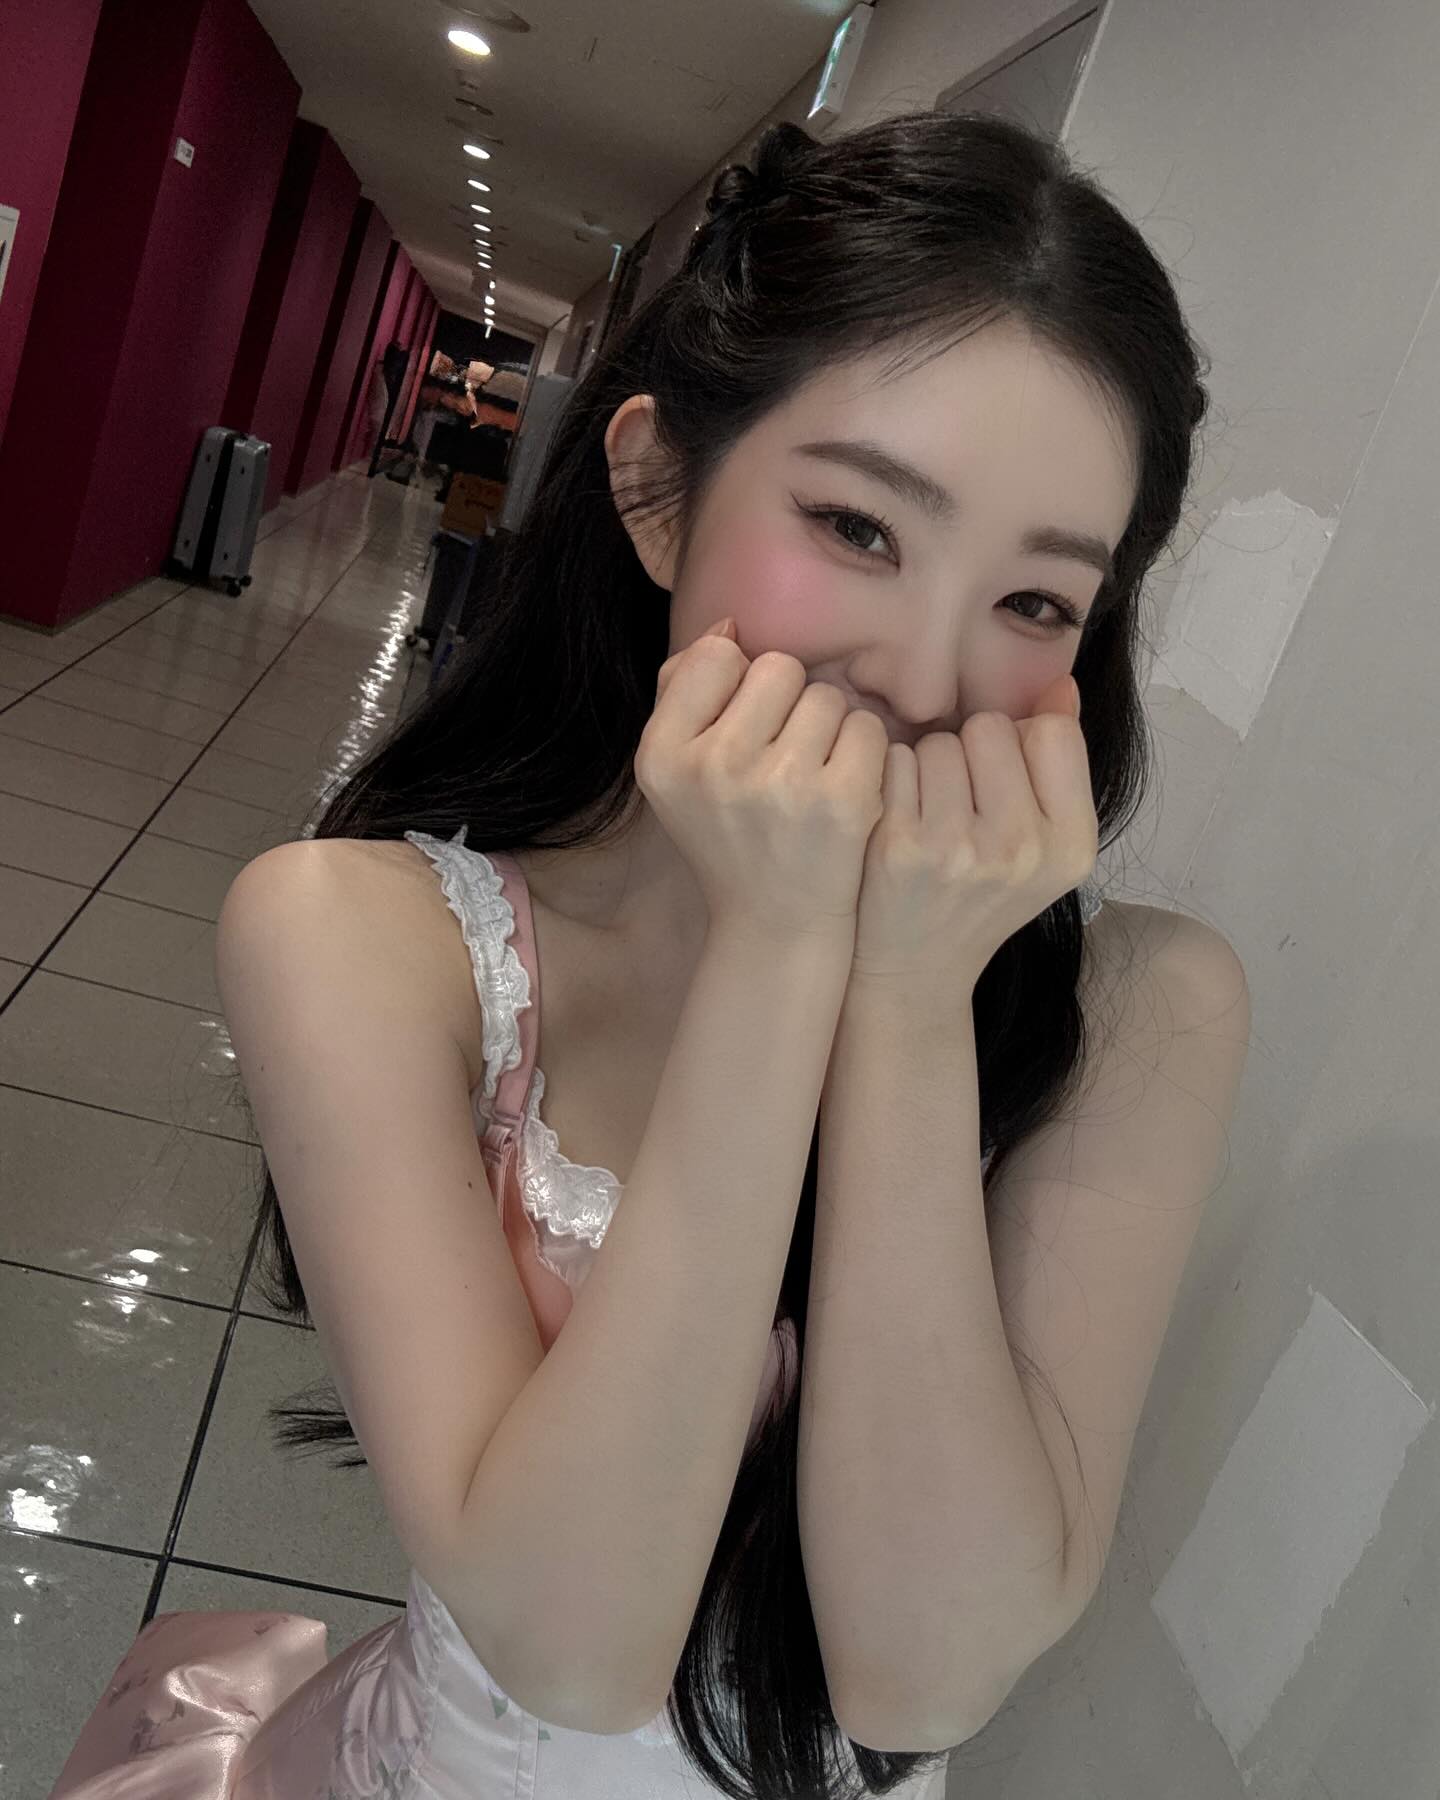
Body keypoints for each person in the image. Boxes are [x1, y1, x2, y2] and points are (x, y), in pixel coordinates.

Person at [47, 107, 1210, 1799]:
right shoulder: (358, 934)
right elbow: (572, 1646)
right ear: (658, 490)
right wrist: (778, 945)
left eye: (1037, 603)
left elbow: (924, 1673)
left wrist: (905, 1001)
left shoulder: (1144, 1010)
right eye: (859, 530)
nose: (926, 679)